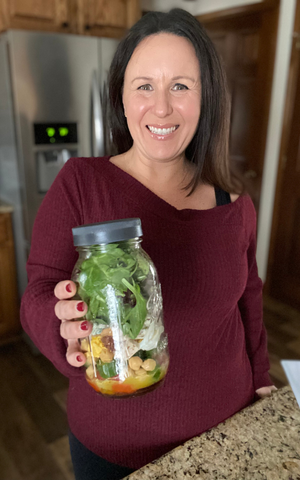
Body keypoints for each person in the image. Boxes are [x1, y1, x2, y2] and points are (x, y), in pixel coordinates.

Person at [20, 8, 276, 480]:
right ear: (121, 97)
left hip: (229, 430)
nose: (162, 107)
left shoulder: (235, 204)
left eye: (181, 85)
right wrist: (63, 328)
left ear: (207, 99)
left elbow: (249, 299)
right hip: (115, 450)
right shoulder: (81, 183)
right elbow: (40, 289)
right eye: (144, 86)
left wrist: (261, 381)